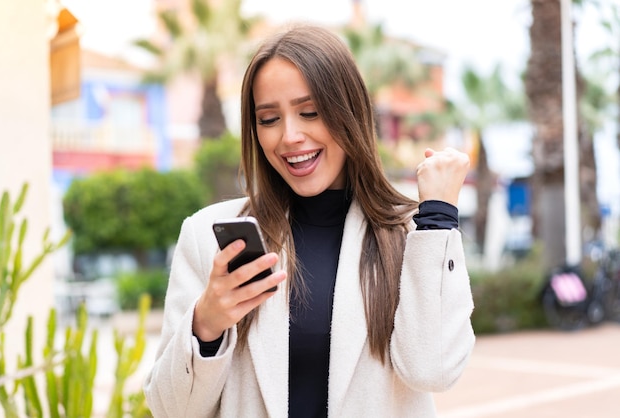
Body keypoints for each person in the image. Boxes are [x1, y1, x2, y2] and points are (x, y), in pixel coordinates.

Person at [144, 24, 475, 418]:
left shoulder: (411, 233)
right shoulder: (207, 236)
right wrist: (206, 325)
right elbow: (170, 410)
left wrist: (437, 219)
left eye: (310, 112)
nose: (290, 136)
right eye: (269, 119)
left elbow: (433, 370)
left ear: (348, 111)